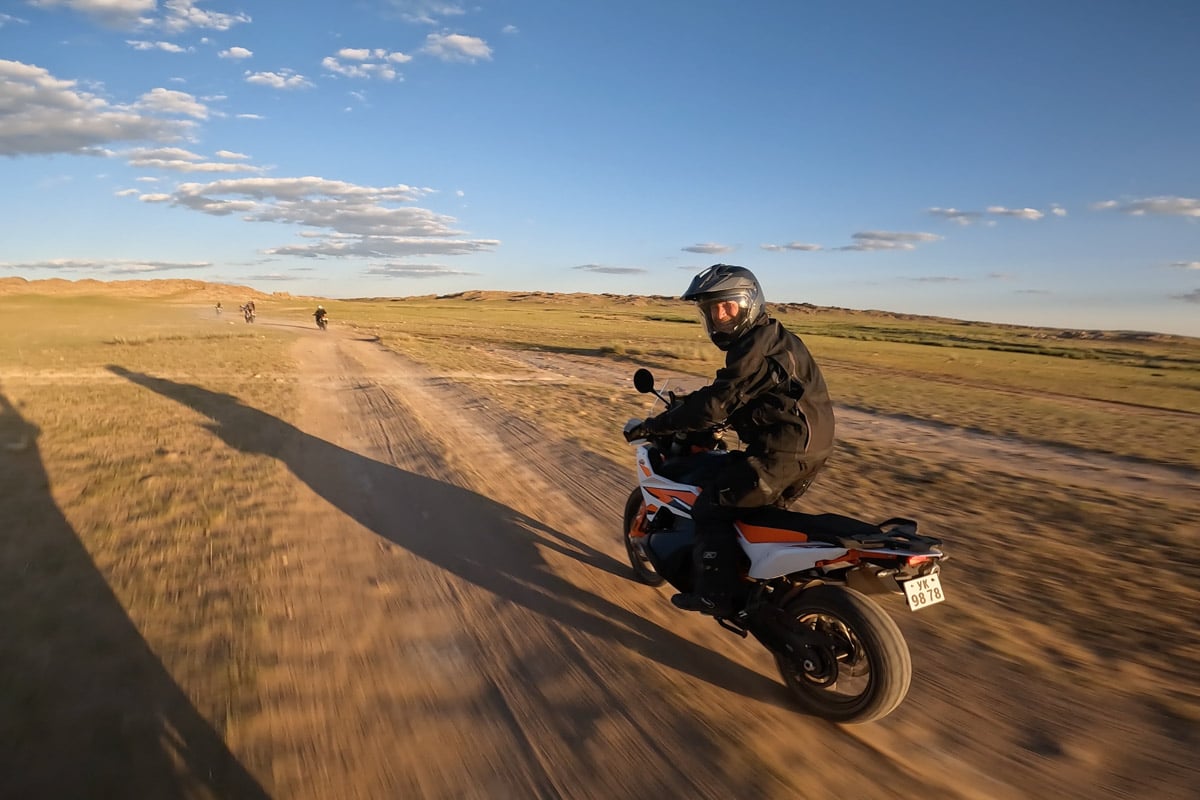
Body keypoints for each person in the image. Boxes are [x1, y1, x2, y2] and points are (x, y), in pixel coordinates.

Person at [624, 264, 835, 616]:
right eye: (712, 309)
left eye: (727, 306)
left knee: (711, 505)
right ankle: (760, 584)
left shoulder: (753, 347)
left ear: (749, 303)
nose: (720, 316)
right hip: (811, 449)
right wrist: (700, 406)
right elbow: (741, 394)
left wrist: (654, 426)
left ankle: (715, 594)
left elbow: (717, 403)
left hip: (781, 454)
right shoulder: (776, 338)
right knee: (755, 515)